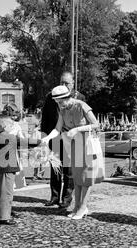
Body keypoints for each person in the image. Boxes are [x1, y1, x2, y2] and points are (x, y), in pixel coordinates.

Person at [42, 85, 101, 220]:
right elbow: (57, 129)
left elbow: (96, 124)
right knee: (77, 177)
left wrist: (78, 130)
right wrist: (47, 137)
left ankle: (82, 207)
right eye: (57, 102)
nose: (59, 104)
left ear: (67, 97)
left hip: (87, 144)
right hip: (74, 145)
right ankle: (77, 206)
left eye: (61, 101)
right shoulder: (63, 110)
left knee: (86, 178)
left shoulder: (82, 106)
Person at [41, 71, 85, 209]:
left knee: (68, 171)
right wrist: (44, 134)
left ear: (73, 83)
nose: (63, 85)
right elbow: (46, 116)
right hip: (54, 137)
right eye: (62, 82)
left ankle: (66, 198)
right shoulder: (51, 96)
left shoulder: (80, 98)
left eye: (66, 83)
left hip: (71, 138)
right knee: (55, 169)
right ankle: (54, 197)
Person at [0, 107, 40, 226]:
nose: (13, 126)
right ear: (6, 126)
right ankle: (4, 217)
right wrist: (40, 141)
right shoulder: (10, 137)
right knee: (7, 193)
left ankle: (0, 214)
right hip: (8, 169)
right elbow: (26, 142)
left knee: (0, 192)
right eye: (11, 124)